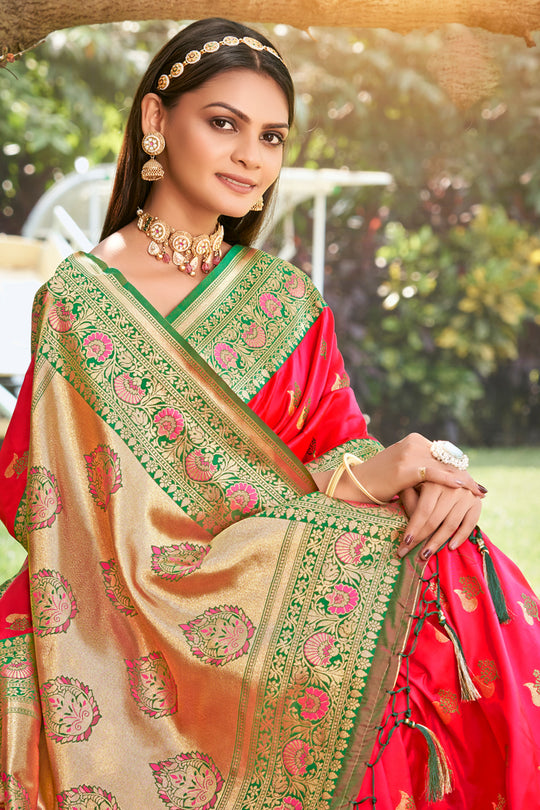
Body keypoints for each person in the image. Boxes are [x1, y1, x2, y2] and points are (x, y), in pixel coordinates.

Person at [0, 17, 538, 810]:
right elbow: (82, 529)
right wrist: (362, 484)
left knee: (452, 547)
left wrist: (425, 478)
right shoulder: (81, 303)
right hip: (136, 604)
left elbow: (337, 443)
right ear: (156, 121)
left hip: (273, 568)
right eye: (224, 124)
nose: (252, 156)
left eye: (273, 136)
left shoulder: (285, 300)